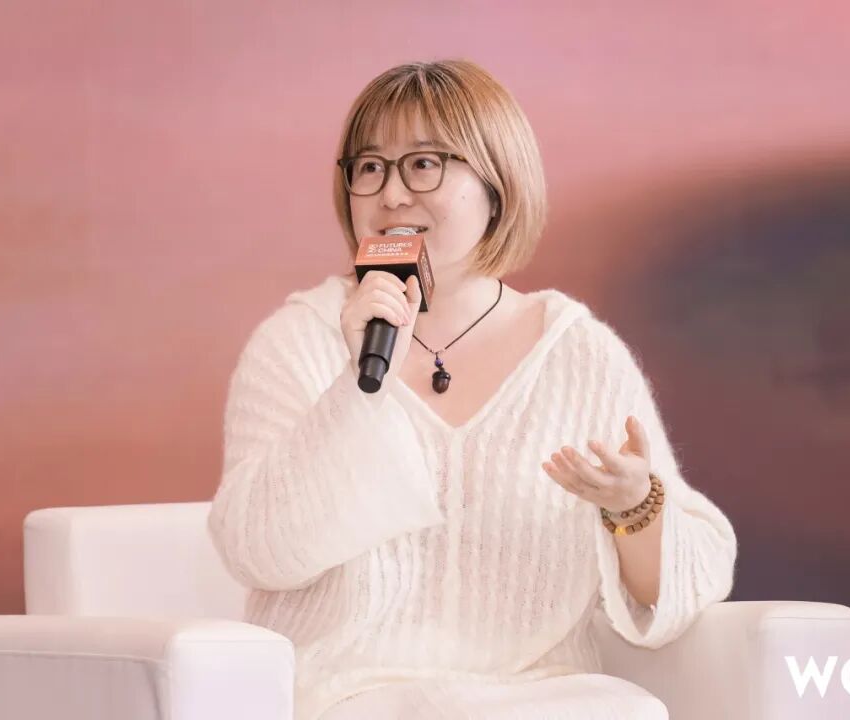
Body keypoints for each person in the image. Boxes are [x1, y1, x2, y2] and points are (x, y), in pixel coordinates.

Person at [207, 59, 737, 720]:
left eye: (424, 164)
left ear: (497, 184)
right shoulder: (299, 341)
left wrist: (635, 506)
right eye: (369, 167)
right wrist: (359, 386)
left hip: (546, 696)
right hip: (345, 697)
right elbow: (258, 551)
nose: (391, 195)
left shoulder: (577, 352)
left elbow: (686, 583)